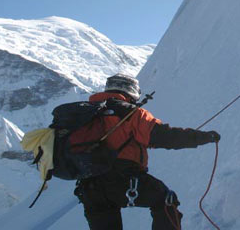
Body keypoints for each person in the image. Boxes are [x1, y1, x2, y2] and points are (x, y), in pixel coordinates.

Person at [74, 73, 220, 230]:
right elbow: (165, 137)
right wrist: (204, 137)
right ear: (131, 91)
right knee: (165, 200)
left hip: (89, 187)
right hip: (123, 179)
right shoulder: (132, 114)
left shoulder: (84, 115)